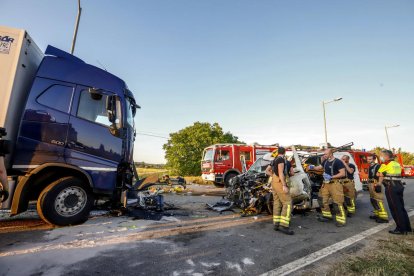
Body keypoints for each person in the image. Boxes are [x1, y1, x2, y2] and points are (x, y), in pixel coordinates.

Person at [377, 150, 412, 234]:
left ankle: (401, 229)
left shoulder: (385, 164)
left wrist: (379, 183)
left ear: (386, 156)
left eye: (381, 156)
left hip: (390, 187)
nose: (381, 157)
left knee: (395, 209)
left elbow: (379, 174)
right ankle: (407, 227)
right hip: (399, 186)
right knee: (401, 208)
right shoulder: (396, 164)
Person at [309, 149, 347, 227]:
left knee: (337, 203)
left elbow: (343, 173)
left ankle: (341, 220)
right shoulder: (325, 161)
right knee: (321, 199)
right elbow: (319, 167)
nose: (324, 155)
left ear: (331, 154)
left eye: (326, 154)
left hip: (335, 184)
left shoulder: (338, 162)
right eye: (324, 154)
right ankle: (327, 216)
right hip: (325, 184)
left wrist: (332, 177)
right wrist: (312, 167)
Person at [266, 147, 294, 235]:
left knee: (277, 202)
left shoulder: (274, 160)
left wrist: (274, 177)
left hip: (274, 182)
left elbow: (267, 171)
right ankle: (284, 225)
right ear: (284, 152)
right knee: (288, 203)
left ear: (278, 152)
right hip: (280, 183)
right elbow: (281, 173)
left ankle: (276, 224)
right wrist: (284, 185)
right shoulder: (282, 160)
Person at [367, 155, 389, 223]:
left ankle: (384, 217)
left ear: (374, 159)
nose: (368, 160)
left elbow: (381, 175)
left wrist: (379, 184)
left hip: (376, 184)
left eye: (370, 159)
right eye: (367, 159)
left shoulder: (378, 166)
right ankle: (377, 214)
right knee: (373, 200)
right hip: (371, 184)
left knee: (378, 200)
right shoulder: (370, 167)